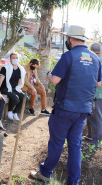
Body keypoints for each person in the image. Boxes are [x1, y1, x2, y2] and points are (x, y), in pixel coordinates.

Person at [30, 25, 101, 185]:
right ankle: (73, 181)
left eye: (67, 38)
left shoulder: (68, 56)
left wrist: (48, 75)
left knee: (57, 143)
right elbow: (98, 83)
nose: (66, 40)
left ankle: (45, 173)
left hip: (64, 109)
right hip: (83, 110)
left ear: (71, 39)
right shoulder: (96, 59)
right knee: (75, 145)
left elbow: (55, 80)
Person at [0, 52, 26, 121]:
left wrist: (20, 88)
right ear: (10, 59)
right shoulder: (5, 67)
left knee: (25, 98)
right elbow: (1, 80)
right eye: (13, 58)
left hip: (14, 88)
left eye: (16, 58)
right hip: (5, 88)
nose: (15, 59)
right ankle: (9, 111)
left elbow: (20, 81)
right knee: (15, 98)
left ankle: (15, 112)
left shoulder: (20, 69)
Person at [83, 43, 102, 146]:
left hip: (97, 95)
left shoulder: (96, 60)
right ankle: (90, 136)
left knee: (96, 118)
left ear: (91, 50)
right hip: (95, 95)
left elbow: (98, 82)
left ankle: (97, 141)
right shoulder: (96, 59)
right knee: (91, 116)